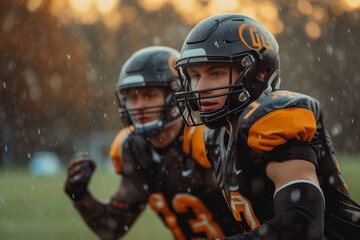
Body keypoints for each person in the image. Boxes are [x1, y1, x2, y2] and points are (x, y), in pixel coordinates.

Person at [174, 14, 360, 239]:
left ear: (259, 73)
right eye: (195, 75)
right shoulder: (215, 138)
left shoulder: (273, 118)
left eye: (216, 73)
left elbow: (301, 224)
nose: (200, 88)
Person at [64, 46, 242, 240]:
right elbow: (112, 228)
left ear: (177, 95)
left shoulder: (207, 139)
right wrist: (81, 196)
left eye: (149, 95)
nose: (138, 106)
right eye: (132, 97)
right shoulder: (136, 149)